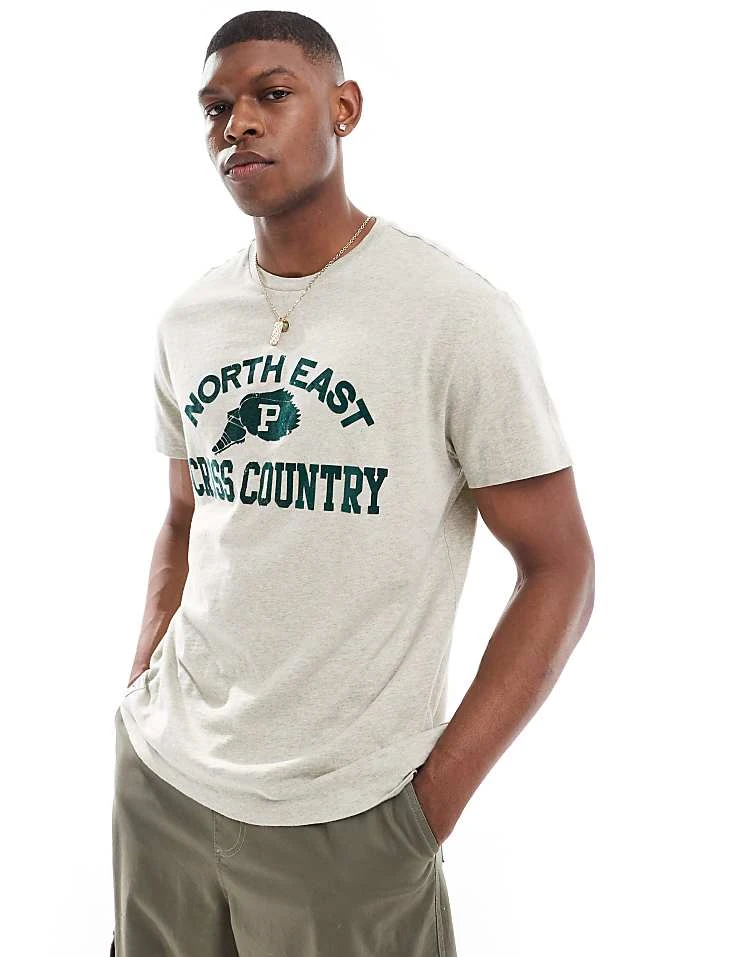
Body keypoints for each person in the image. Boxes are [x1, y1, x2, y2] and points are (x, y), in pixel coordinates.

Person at [110, 10, 595, 957]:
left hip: (347, 819)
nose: (239, 124)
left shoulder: (453, 315)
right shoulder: (190, 318)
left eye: (271, 94)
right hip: (163, 786)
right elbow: (183, 513)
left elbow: (562, 569)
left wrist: (427, 807)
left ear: (345, 108)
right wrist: (142, 682)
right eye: (215, 108)